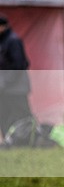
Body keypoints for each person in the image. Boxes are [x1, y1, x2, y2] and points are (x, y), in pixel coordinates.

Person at [0, 14, 32, 142]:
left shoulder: (13, 41)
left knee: (21, 115)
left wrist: (4, 82)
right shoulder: (3, 41)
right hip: (6, 89)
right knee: (5, 114)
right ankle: (10, 139)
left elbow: (19, 65)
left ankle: (27, 139)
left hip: (17, 89)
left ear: (2, 27)